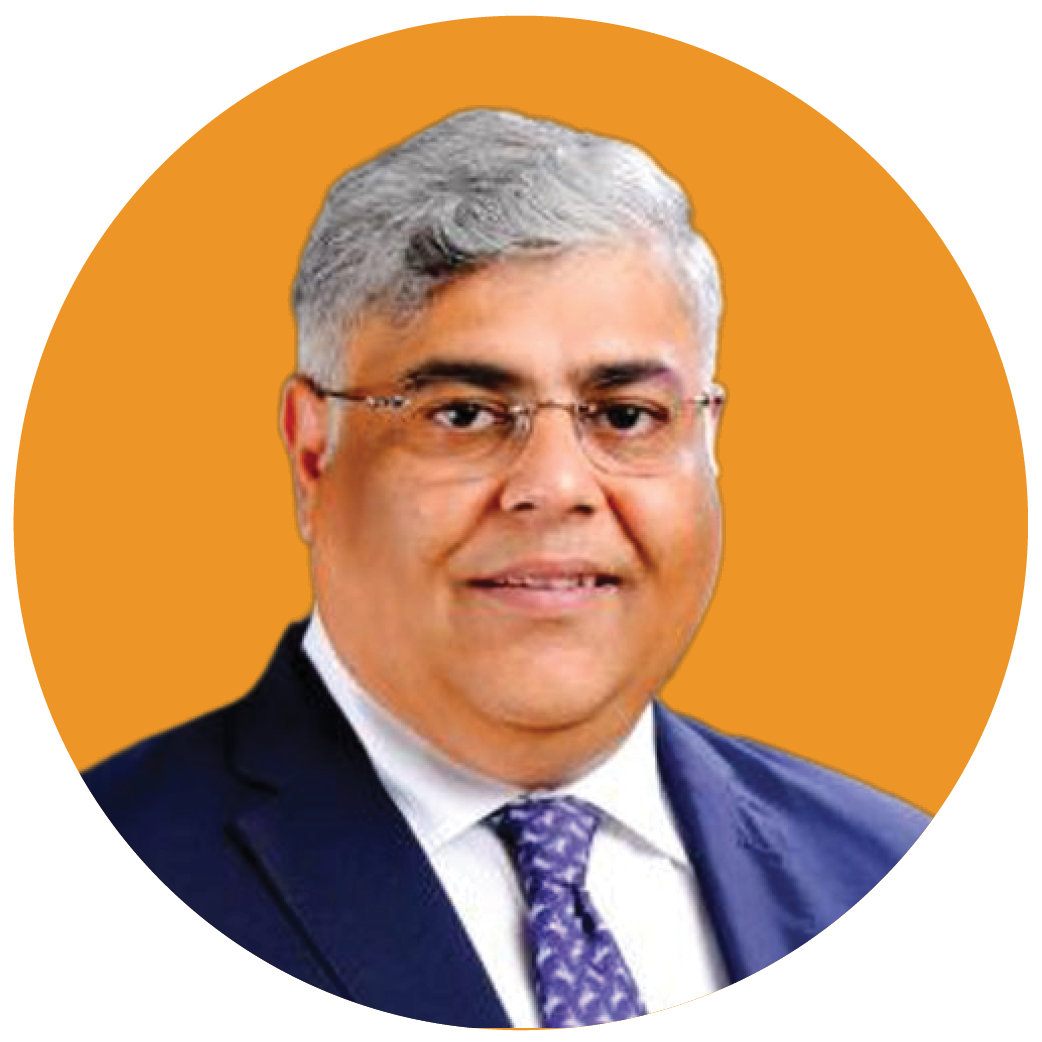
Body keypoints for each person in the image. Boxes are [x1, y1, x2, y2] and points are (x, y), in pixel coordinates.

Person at [84, 109, 929, 1029]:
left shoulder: (888, 874)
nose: (556, 487)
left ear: (709, 445)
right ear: (313, 453)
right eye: (463, 414)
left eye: (626, 415)